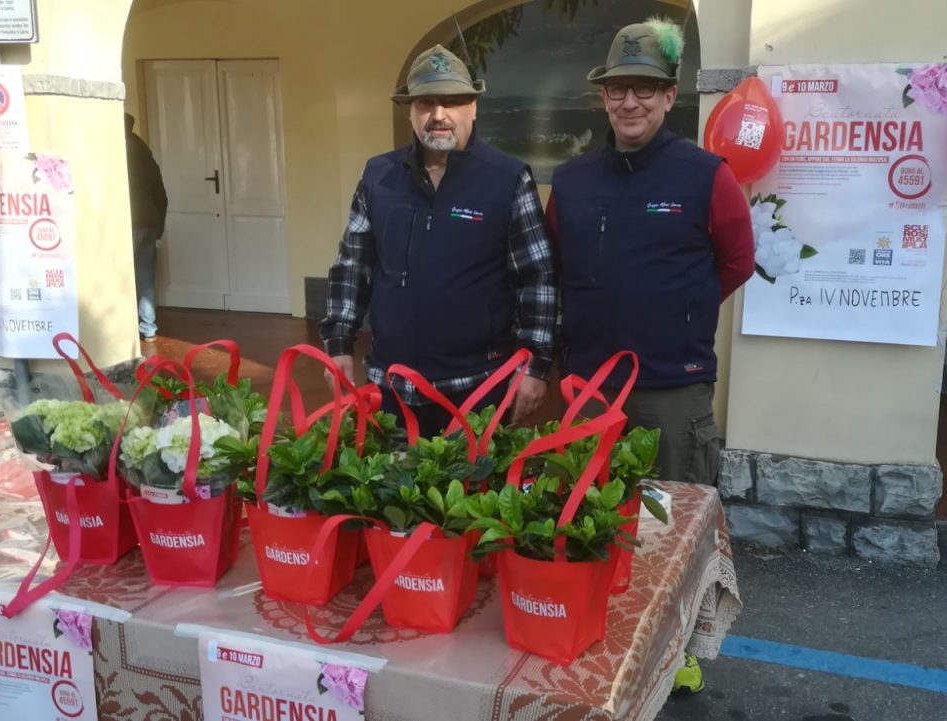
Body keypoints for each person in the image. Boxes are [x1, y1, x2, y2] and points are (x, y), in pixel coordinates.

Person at [545, 19, 755, 695]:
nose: (629, 101)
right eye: (618, 89)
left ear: (668, 97)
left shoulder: (706, 176)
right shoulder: (571, 182)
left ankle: (679, 653)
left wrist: (677, 313)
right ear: (603, 98)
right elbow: (554, 268)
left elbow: (737, 261)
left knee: (671, 532)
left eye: (644, 88)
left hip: (671, 389)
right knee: (591, 523)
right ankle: (603, 640)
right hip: (588, 390)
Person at [320, 45, 556, 438]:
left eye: (453, 101)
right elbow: (352, 266)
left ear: (474, 107)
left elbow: (537, 279)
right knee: (390, 480)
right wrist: (338, 343)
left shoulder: (509, 178)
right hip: (391, 386)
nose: (439, 114)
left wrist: (537, 366)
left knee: (476, 480)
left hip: (478, 388)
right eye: (426, 102)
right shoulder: (378, 176)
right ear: (410, 111)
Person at [124, 112, 168, 343]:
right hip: (149, 220)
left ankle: (121, 333)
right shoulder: (144, 152)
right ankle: (149, 328)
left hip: (127, 221)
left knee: (121, 276)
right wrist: (159, 226)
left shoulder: (114, 152)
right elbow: (161, 193)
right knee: (146, 276)